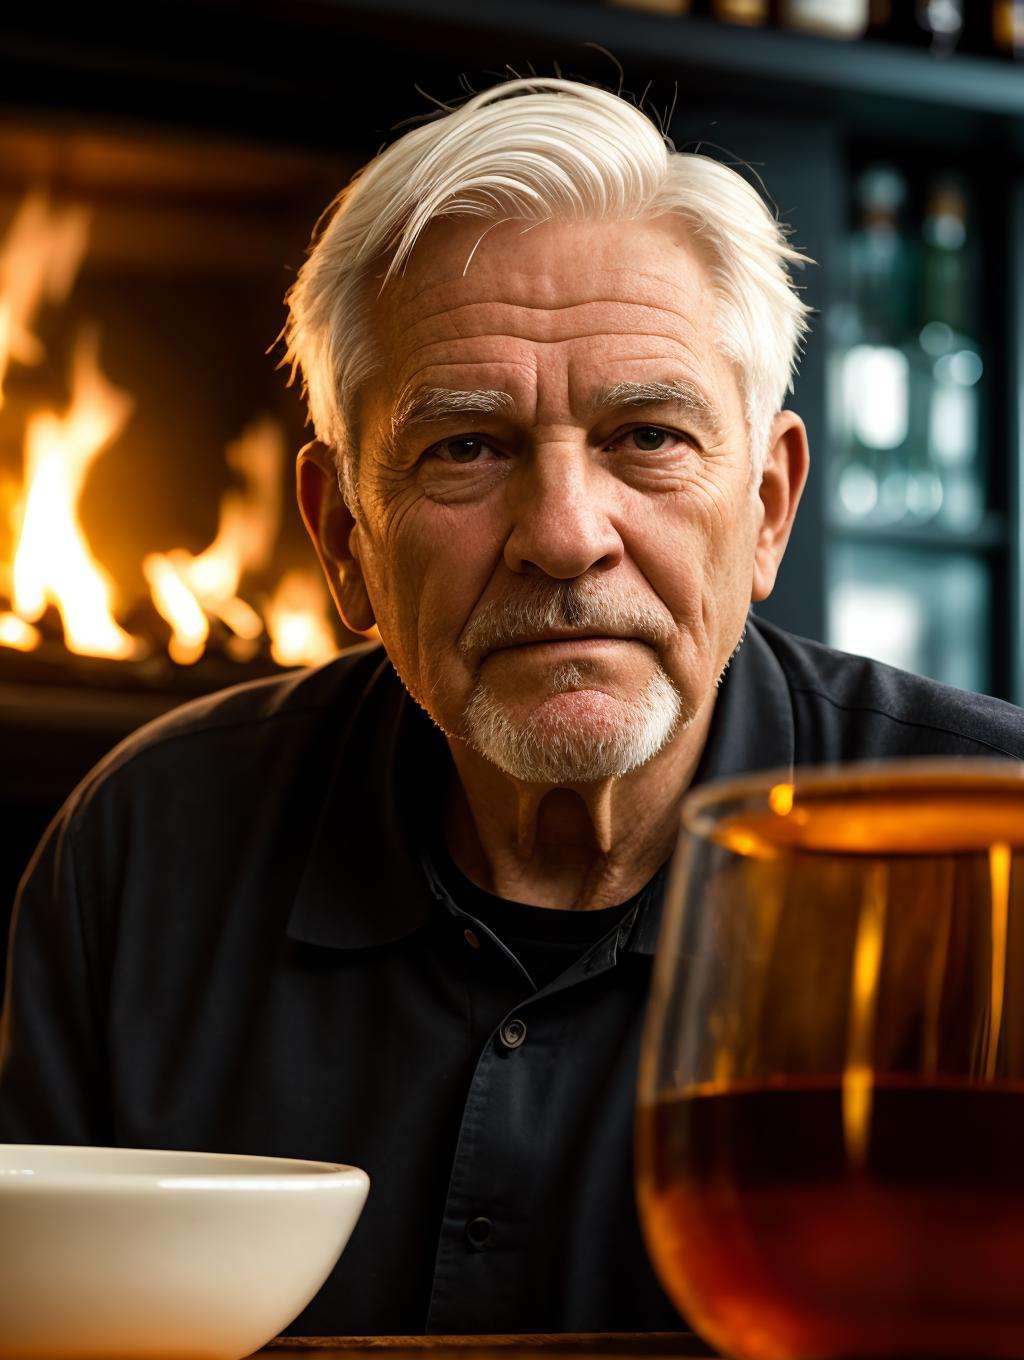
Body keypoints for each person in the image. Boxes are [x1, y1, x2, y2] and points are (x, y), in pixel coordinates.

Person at [2, 77, 1022, 1336]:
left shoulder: (994, 850)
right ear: (343, 539)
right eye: (465, 448)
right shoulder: (144, 851)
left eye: (647, 435)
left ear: (765, 508)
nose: (562, 535)